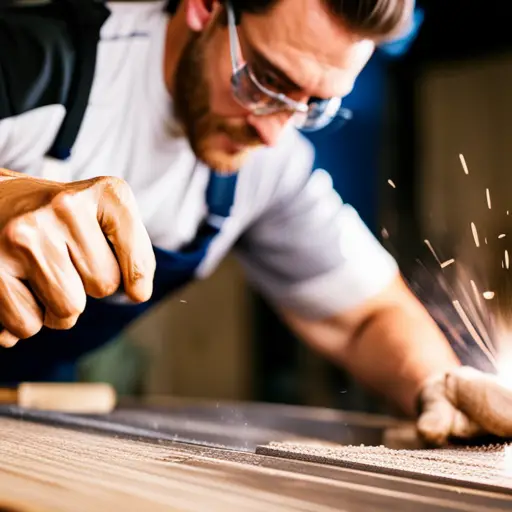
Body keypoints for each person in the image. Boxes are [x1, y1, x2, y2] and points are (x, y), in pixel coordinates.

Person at [0, 0, 510, 446]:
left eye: (313, 104)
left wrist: (439, 383)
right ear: (205, 6)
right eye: (265, 79)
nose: (271, 132)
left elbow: (366, 317)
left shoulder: (269, 164)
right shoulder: (29, 61)